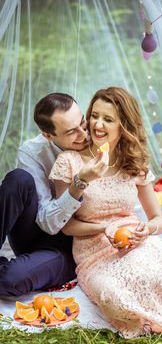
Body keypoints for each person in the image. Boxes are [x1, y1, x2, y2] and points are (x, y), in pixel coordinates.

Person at [49, 86, 162, 338]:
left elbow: (159, 221)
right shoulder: (69, 162)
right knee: (113, 296)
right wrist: (106, 228)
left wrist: (145, 230)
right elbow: (66, 225)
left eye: (108, 119)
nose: (97, 124)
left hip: (134, 242)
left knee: (155, 278)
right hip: (92, 251)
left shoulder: (133, 162)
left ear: (123, 124)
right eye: (94, 115)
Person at [0, 92, 108, 296]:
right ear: (48, 135)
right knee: (17, 179)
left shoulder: (101, 143)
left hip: (68, 245)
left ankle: (14, 271)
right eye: (71, 132)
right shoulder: (33, 151)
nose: (83, 134)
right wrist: (79, 182)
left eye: (82, 123)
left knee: (11, 280)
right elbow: (46, 221)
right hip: (38, 228)